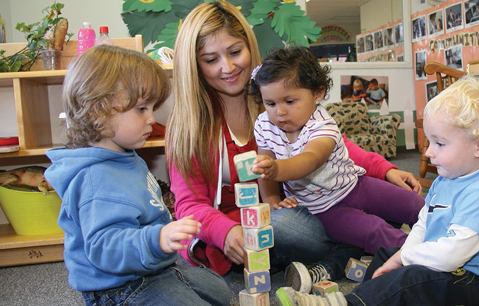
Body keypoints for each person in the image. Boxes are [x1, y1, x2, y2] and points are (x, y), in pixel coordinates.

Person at [166, 0, 422, 288]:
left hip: (300, 206)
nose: (227, 67)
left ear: (249, 47)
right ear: (195, 65)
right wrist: (225, 232)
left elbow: (332, 146)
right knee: (296, 227)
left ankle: (351, 246)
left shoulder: (275, 99)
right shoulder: (190, 126)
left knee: (351, 206)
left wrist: (385, 170)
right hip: (249, 224)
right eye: (211, 60)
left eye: (235, 52)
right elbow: (189, 204)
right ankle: (352, 246)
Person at [277, 76, 479, 306]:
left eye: (440, 144)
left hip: (475, 280)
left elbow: (452, 255)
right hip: (448, 264)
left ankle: (350, 304)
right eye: (429, 142)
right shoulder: (446, 180)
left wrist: (404, 258)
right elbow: (423, 224)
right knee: (386, 255)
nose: (429, 153)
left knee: (409, 277)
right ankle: (374, 296)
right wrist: (400, 255)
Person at [44, 45, 230, 306]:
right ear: (98, 111)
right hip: (118, 289)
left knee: (222, 292)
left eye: (152, 108)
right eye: (141, 109)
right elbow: (105, 248)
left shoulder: (125, 155)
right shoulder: (96, 178)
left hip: (152, 269)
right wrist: (158, 239)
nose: (152, 118)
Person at [250, 46, 424, 258]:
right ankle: (423, 257)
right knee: (375, 231)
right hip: (324, 210)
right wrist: (272, 200)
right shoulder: (264, 125)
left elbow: (311, 159)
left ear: (318, 93)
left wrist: (276, 169)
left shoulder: (323, 124)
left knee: (411, 202)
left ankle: (449, 232)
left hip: (356, 186)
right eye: (270, 103)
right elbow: (264, 166)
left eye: (289, 101)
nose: (280, 112)